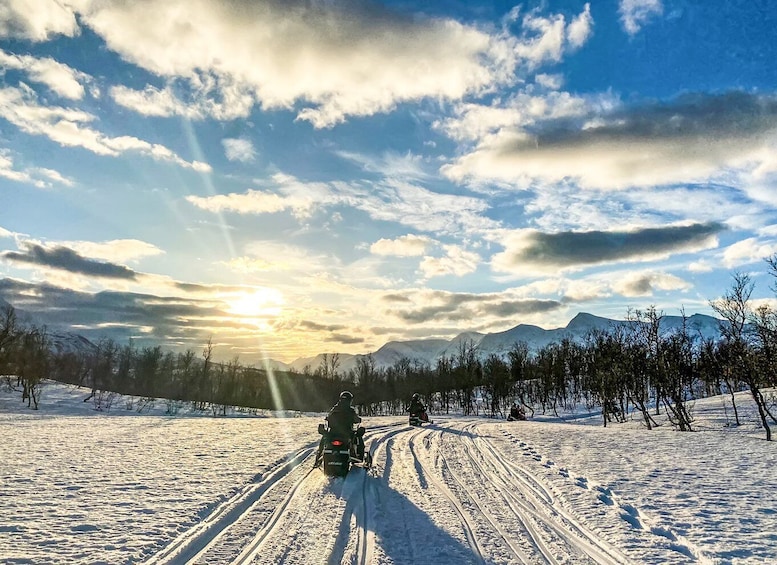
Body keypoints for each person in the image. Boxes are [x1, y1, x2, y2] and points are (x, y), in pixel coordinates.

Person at [314, 391, 363, 467]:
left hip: (333, 433)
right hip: (347, 433)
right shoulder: (350, 410)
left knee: (324, 438)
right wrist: (358, 420)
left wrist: (328, 419)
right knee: (358, 437)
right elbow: (356, 419)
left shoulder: (335, 408)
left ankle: (318, 456)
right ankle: (359, 456)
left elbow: (328, 417)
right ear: (350, 400)